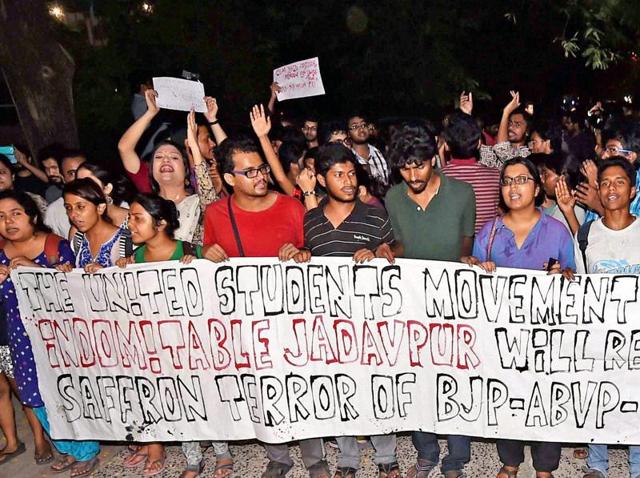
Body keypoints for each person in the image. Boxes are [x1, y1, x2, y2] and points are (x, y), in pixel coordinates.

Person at [202, 137, 325, 478]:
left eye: (262, 168)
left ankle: (315, 459)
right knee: (259, 387)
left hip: (292, 317)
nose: (260, 176)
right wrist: (204, 253)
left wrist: (301, 254)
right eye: (250, 171)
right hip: (245, 322)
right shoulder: (215, 214)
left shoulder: (291, 207)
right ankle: (278, 456)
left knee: (301, 385)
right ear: (229, 179)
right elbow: (206, 259)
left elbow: (315, 255)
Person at [462, 157, 575, 478]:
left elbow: (575, 281)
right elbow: (471, 275)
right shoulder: (491, 231)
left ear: (538, 188)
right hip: (503, 338)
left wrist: (563, 274)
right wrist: (473, 264)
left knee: (546, 395)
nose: (513, 187)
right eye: (507, 181)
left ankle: (544, 466)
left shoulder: (556, 231)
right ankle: (510, 461)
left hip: (546, 338)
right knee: (507, 394)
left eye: (522, 179)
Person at [116, 193, 234, 478]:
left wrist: (207, 258)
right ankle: (192, 457)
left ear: (160, 223)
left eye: (137, 218)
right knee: (176, 400)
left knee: (204, 397)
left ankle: (222, 453)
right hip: (158, 347)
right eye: (130, 217)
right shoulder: (136, 259)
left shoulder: (189, 251)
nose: (130, 224)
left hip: (194, 345)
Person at [384, 122, 475, 478]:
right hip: (410, 304)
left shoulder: (462, 193)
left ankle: (457, 456)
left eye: (419, 165)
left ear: (434, 158)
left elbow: (465, 244)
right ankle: (426, 451)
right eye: (405, 168)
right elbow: (402, 244)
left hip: (453, 303)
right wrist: (386, 250)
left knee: (455, 377)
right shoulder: (393, 197)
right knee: (417, 379)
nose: (412, 174)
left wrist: (463, 266)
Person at [303, 143, 398, 478]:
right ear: (320, 179)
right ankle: (348, 457)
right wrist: (299, 253)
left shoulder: (375, 213)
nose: (346, 180)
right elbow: (306, 255)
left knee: (374, 385)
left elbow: (395, 247)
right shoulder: (311, 219)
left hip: (370, 321)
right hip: (328, 322)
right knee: (339, 386)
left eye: (351, 173)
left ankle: (386, 453)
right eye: (337, 174)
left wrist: (385, 249)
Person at [0, 190, 100, 477]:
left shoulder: (55, 246)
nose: (8, 222)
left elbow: (72, 290)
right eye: (1, 216)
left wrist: (36, 270)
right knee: (34, 396)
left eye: (15, 213)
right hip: (20, 340)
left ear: (31, 216)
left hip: (57, 340)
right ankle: (66, 448)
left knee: (67, 391)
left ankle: (86, 450)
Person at [574, 158, 640, 477]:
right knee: (598, 394)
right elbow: (579, 286)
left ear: (633, 190)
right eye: (605, 183)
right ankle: (596, 464)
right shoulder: (586, 235)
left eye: (620, 182)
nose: (611, 188)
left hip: (638, 338)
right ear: (598, 189)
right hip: (601, 337)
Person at [117, 90, 207, 244]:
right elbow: (125, 147)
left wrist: (193, 146)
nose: (165, 160)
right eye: (158, 157)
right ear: (151, 170)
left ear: (186, 169)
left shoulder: (200, 199)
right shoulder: (147, 198)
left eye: (173, 157)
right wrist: (150, 113)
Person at [441, 109, 501, 233]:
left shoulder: (437, 178)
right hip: (487, 247)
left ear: (446, 145)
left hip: (453, 248)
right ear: (479, 143)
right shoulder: (495, 175)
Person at [60, 178, 132, 272]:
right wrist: (69, 270)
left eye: (80, 207)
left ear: (100, 208)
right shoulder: (77, 240)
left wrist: (106, 273)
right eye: (68, 208)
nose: (73, 214)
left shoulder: (125, 240)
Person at [532, 152, 586, 234]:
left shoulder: (576, 210)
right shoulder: (558, 207)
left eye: (545, 174)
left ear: (562, 178)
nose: (541, 179)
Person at [475, 91, 532, 169]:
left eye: (517, 124)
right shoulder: (496, 152)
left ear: (527, 131)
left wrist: (506, 112)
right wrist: (465, 114)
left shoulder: (527, 155)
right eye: (509, 123)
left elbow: (502, 150)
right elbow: (474, 148)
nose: (510, 127)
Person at [43, 149, 87, 238]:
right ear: (63, 177)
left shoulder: (114, 206)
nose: (79, 177)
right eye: (72, 173)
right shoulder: (54, 212)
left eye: (84, 170)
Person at [348, 114, 390, 185]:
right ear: (348, 134)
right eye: (355, 127)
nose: (361, 129)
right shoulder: (349, 159)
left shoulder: (382, 153)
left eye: (363, 125)